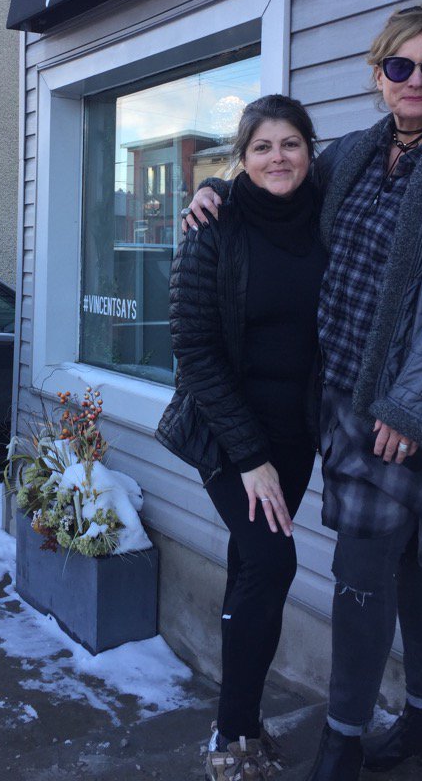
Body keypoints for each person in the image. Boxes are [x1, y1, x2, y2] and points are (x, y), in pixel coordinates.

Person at [184, 3, 422, 780]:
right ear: (377, 74)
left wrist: (412, 406)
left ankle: (342, 743)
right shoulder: (354, 154)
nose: (416, 80)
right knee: (417, 558)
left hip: (417, 409)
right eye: (400, 66)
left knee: (370, 563)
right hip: (342, 399)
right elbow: (278, 188)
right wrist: (212, 194)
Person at [158, 94, 326, 780]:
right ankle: (231, 739)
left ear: (310, 151)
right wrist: (251, 458)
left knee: (251, 565)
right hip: (229, 432)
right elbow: (193, 349)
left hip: (297, 433)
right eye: (262, 147)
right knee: (272, 563)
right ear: (243, 157)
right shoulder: (213, 226)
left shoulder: (325, 216)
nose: (277, 157)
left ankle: (242, 722)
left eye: (290, 144)